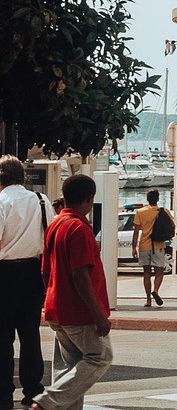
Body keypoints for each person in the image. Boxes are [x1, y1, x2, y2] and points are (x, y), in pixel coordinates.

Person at [37, 174, 111, 410]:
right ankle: (49, 401)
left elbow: (45, 272)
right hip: (79, 312)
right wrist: (98, 314)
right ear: (89, 200)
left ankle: (57, 404)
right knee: (100, 357)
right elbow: (81, 275)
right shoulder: (78, 228)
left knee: (70, 368)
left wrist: (51, 297)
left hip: (56, 307)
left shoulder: (55, 225)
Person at [0, 155, 50, 410]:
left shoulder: (1, 202)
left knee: (3, 336)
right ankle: (33, 389)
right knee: (30, 334)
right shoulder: (41, 200)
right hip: (33, 270)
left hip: (5, 272)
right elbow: (49, 236)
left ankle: (4, 392)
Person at [130, 190, 173, 308]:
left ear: (147, 199)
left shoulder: (140, 212)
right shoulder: (164, 211)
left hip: (144, 246)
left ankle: (148, 299)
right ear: (158, 199)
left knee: (147, 273)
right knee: (159, 272)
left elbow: (135, 232)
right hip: (158, 245)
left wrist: (134, 248)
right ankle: (156, 290)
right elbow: (171, 226)